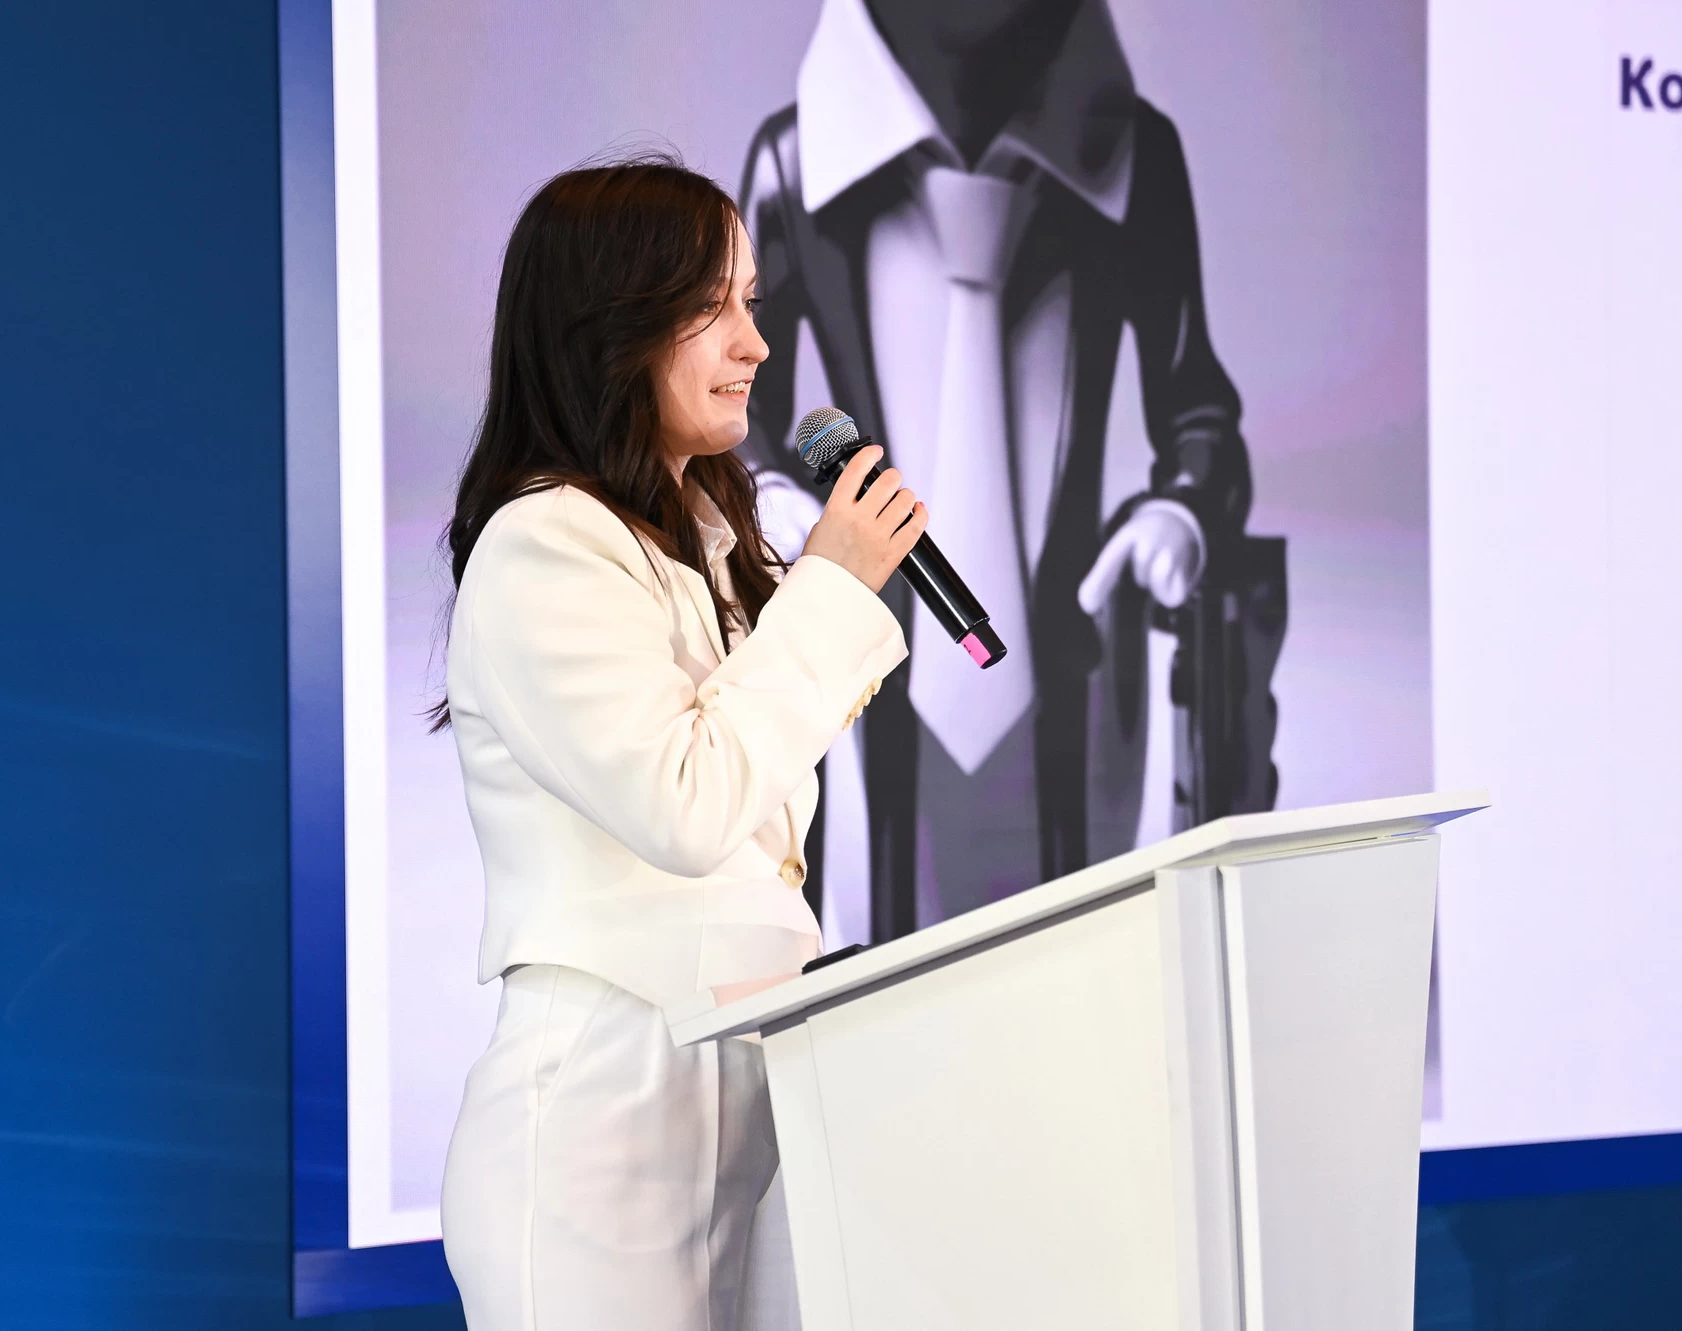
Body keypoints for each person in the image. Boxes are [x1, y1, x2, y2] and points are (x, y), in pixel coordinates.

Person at [431, 157, 924, 1331]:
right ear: (611, 324)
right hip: (599, 1129)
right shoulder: (543, 543)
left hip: (748, 1111)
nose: (756, 342)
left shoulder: (700, 546)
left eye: (750, 300)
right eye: (712, 306)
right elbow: (686, 803)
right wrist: (829, 589)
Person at [739, 0, 1260, 940]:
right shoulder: (794, 165)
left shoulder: (1138, 156)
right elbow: (742, 412)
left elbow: (1199, 406)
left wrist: (1178, 514)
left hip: (1067, 641)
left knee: (1072, 920)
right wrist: (768, 497)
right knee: (879, 907)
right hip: (867, 629)